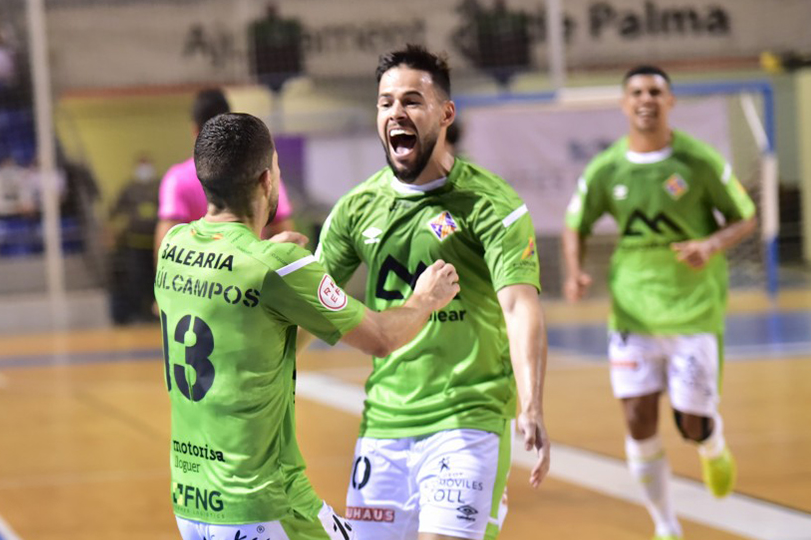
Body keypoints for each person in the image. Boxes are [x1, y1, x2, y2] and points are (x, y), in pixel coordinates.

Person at [155, 112, 461, 540]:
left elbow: (242, 296)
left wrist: (282, 271)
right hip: (267, 505)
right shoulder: (277, 267)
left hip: (192, 506)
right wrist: (426, 298)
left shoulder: (173, 246)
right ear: (266, 180)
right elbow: (382, 338)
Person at [314, 45, 549, 540]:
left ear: (446, 113)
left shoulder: (490, 204)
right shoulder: (356, 209)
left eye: (412, 101)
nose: (396, 112)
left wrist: (530, 404)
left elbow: (519, 304)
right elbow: (309, 306)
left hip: (469, 419)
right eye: (385, 102)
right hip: (384, 427)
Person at [562, 65, 756, 540]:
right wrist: (574, 270)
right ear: (624, 104)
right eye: (636, 92)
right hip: (631, 311)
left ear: (670, 102)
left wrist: (710, 245)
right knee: (637, 419)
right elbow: (575, 224)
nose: (645, 99)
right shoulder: (606, 168)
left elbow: (744, 216)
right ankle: (666, 524)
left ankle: (712, 447)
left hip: (692, 309)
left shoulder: (698, 161)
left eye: (655, 91)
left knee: (692, 424)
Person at [154, 87, 294, 258]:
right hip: (254, 276)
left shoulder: (177, 179)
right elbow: (284, 232)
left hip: (200, 278)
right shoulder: (259, 169)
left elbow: (165, 247)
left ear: (194, 130)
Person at [108, 155, 161, 324]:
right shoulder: (129, 189)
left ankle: (156, 312)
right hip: (135, 243)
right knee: (137, 279)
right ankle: (139, 313)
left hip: (156, 243)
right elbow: (115, 212)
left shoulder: (160, 186)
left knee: (156, 279)